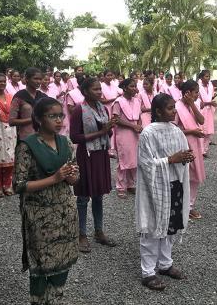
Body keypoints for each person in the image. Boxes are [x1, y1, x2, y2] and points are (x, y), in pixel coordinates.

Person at [13, 97, 79, 304]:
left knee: (63, 261)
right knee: (41, 265)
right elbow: (19, 185)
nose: (59, 120)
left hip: (66, 210)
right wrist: (54, 178)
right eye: (53, 116)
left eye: (61, 116)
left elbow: (75, 178)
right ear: (39, 119)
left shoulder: (65, 142)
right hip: (39, 215)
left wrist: (71, 176)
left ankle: (56, 300)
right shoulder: (27, 146)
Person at [135, 93, 193, 291]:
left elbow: (183, 153)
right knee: (152, 227)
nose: (174, 111)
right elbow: (145, 164)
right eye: (170, 108)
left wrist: (186, 157)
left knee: (170, 227)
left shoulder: (176, 130)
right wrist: (170, 160)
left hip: (174, 184)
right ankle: (148, 272)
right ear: (158, 111)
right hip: (156, 187)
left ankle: (165, 264)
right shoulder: (148, 133)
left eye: (174, 107)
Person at [69, 77, 118, 254]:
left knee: (98, 195)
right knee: (83, 197)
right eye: (96, 89)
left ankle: (99, 231)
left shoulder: (103, 108)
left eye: (100, 89)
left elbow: (107, 133)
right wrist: (101, 132)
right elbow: (74, 137)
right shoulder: (78, 111)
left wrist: (109, 128)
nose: (99, 92)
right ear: (86, 91)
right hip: (86, 155)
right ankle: (82, 234)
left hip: (100, 154)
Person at [175, 80, 206, 219]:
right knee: (183, 176)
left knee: (194, 177)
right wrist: (192, 131)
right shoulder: (176, 106)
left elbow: (202, 120)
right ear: (187, 93)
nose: (197, 95)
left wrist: (193, 104)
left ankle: (190, 206)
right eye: (195, 92)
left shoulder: (194, 104)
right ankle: (181, 206)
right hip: (183, 145)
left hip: (195, 144)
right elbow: (173, 129)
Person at [113, 78, 142, 198]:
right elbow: (116, 119)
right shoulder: (118, 102)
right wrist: (133, 126)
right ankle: (120, 186)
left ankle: (130, 184)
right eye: (132, 86)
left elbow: (139, 116)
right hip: (124, 134)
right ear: (125, 88)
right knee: (123, 160)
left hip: (135, 134)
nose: (135, 88)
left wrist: (139, 126)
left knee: (134, 159)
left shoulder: (137, 101)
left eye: (135, 86)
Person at [9, 68, 47, 141]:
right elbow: (12, 121)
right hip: (26, 138)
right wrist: (32, 119)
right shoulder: (19, 97)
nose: (38, 81)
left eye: (40, 79)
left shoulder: (43, 96)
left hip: (43, 137)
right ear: (27, 79)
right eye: (35, 79)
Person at [198, 70, 217, 156]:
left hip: (209, 110)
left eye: (209, 76)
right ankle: (200, 150)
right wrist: (209, 103)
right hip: (201, 111)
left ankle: (205, 150)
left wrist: (213, 97)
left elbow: (210, 97)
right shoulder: (197, 87)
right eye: (206, 76)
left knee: (209, 131)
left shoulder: (210, 86)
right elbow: (199, 102)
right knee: (202, 130)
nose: (208, 78)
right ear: (201, 78)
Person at [47, 71, 69, 135]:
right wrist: (59, 95)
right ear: (54, 77)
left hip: (63, 105)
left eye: (59, 76)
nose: (58, 77)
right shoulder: (51, 86)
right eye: (57, 76)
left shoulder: (63, 84)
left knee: (63, 121)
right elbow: (51, 97)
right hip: (54, 106)